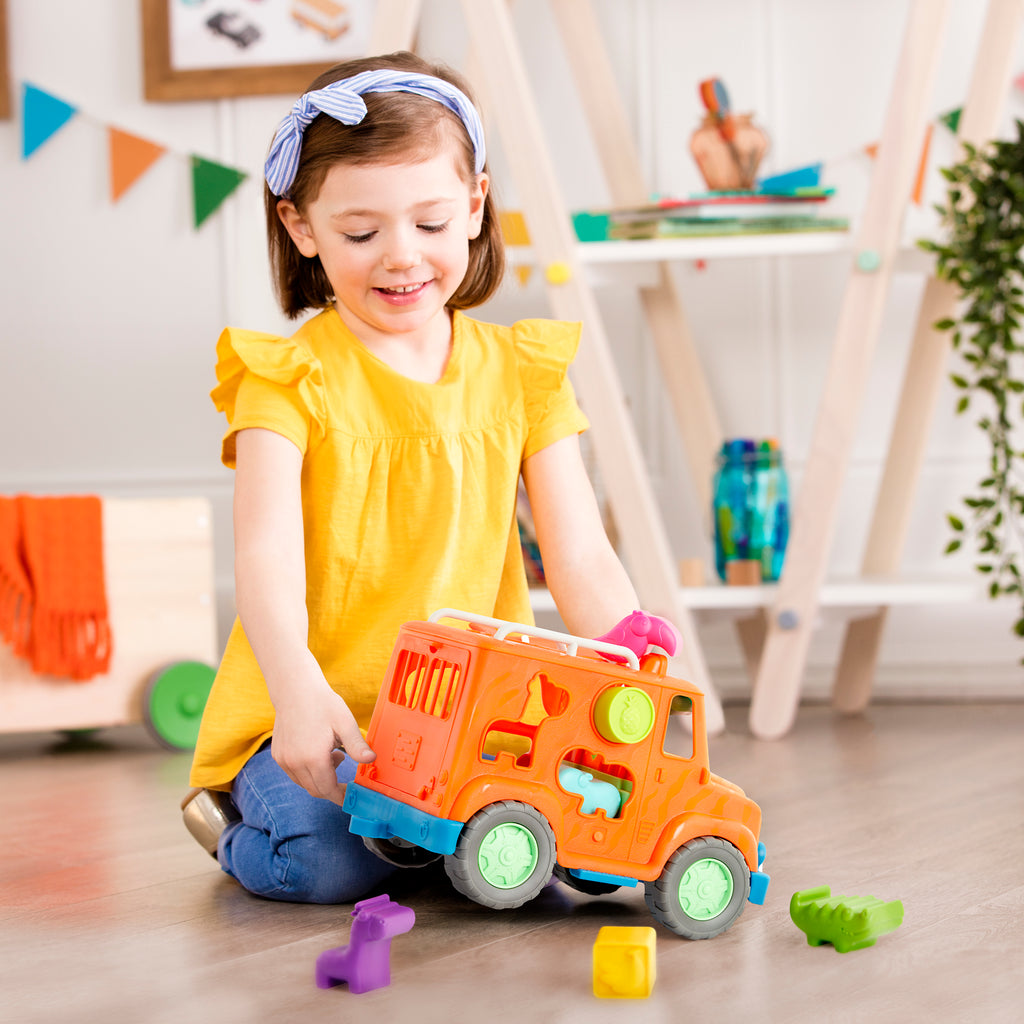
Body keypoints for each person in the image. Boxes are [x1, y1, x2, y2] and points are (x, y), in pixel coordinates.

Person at [182, 50, 676, 904]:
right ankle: (229, 823)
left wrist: (628, 658)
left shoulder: (522, 370)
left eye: (433, 224)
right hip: (317, 713)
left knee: (570, 860)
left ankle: (434, 847)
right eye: (362, 233)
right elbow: (263, 556)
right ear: (302, 228)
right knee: (329, 863)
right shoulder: (286, 379)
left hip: (476, 723)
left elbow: (580, 553)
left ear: (477, 205)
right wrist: (298, 692)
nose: (401, 258)